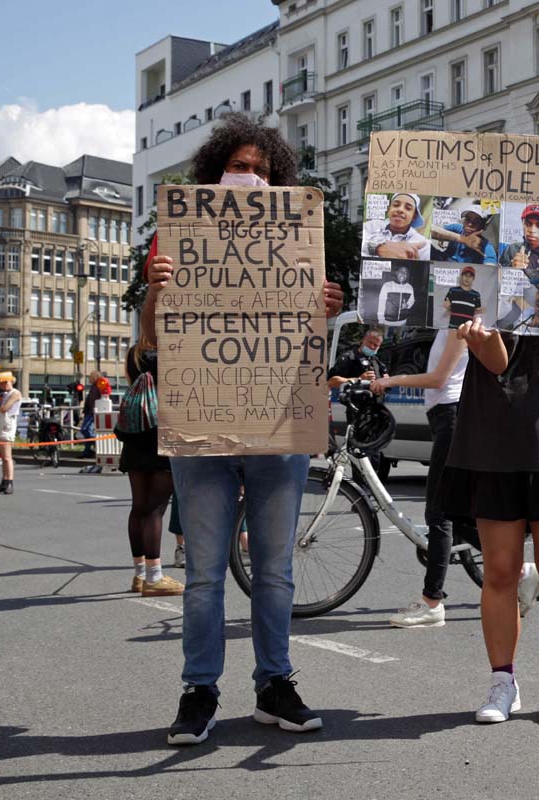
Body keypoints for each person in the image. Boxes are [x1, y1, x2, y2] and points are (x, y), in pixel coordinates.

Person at [140, 112, 345, 745]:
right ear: (214, 173)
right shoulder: (172, 241)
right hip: (202, 426)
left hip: (276, 427)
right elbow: (150, 340)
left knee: (275, 570)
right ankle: (199, 691)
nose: (248, 176)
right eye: (238, 167)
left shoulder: (298, 237)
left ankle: (273, 684)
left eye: (259, 169)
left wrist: (326, 307)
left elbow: (305, 337)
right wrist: (155, 292)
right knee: (203, 573)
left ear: (277, 179)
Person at [437, 318, 539, 726]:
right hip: (491, 440)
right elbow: (497, 363)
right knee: (500, 571)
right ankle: (503, 682)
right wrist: (481, 336)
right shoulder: (482, 293)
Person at [376, 329, 471, 628]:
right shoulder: (448, 325)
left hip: (451, 417)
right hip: (444, 417)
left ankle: (432, 603)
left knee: (438, 511)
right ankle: (521, 570)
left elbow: (438, 378)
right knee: (456, 514)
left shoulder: (461, 324)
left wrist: (392, 381)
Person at [116, 345, 183, 597]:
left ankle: (140, 574)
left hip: (135, 437)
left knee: (139, 507)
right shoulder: (169, 350)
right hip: (161, 432)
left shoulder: (133, 352)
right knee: (156, 508)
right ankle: (155, 577)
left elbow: (132, 381)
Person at [362, 192, 430, 260]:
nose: (400, 210)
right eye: (396, 205)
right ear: (389, 209)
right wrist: (379, 248)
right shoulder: (371, 226)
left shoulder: (422, 243)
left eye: (408, 208)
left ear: (414, 216)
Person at [498, 205, 539, 271]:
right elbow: (499, 276)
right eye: (528, 224)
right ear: (522, 223)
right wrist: (512, 268)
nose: (532, 230)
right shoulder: (511, 249)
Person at [0, 372, 22, 495]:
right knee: (2, 456)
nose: (3, 385)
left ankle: (10, 482)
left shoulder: (15, 393)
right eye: (1, 382)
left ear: (11, 381)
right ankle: (4, 481)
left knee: (7, 457)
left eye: (5, 382)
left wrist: (1, 398)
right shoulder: (2, 394)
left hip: (7, 425)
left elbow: (4, 408)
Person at [431, 205, 497, 264]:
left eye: (476, 222)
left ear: (483, 227)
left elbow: (490, 265)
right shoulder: (458, 228)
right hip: (443, 260)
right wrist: (445, 236)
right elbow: (431, 230)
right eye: (468, 219)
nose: (470, 224)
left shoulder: (486, 246)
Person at [81, 370, 101, 458]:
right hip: (89, 412)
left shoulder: (98, 386)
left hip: (93, 412)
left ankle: (96, 442)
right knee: (86, 430)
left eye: (90, 376)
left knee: (86, 430)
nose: (89, 378)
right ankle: (87, 450)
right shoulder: (94, 386)